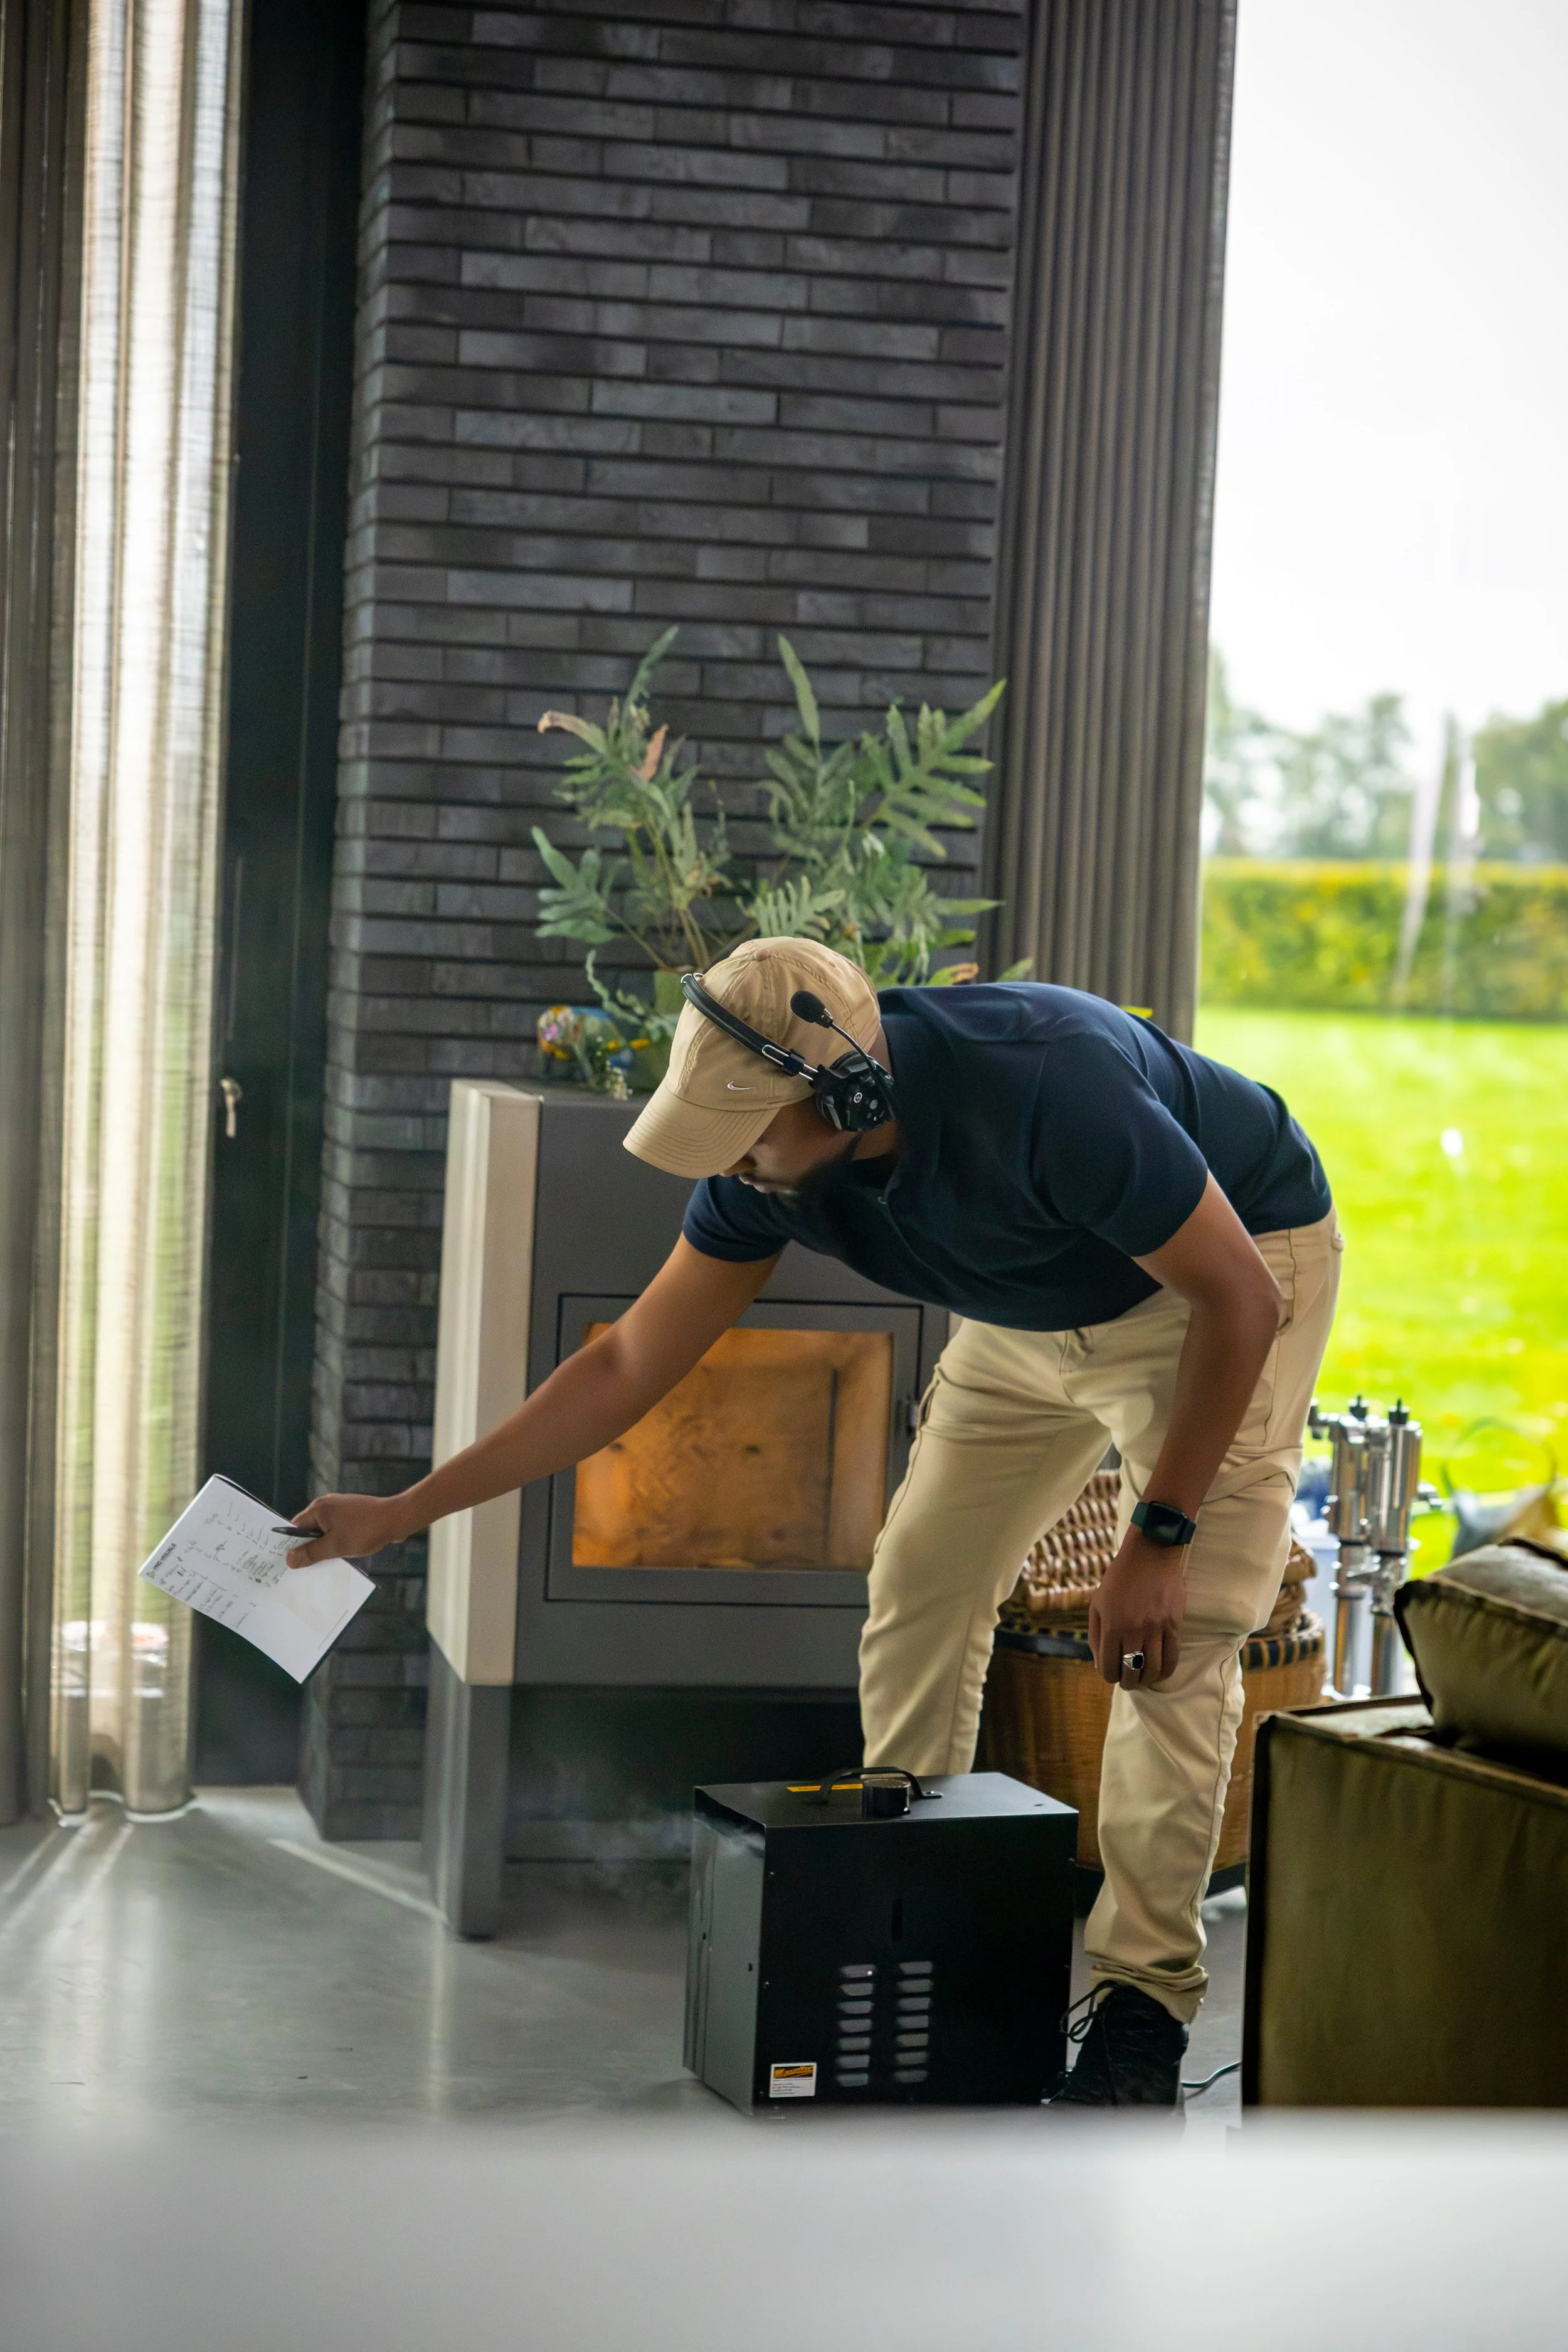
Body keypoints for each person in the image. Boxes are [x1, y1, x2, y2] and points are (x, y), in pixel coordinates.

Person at [288, 936, 1340, 2107]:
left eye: (749, 1135)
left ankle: (1143, 2010)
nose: (732, 1164)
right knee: (921, 1585)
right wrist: (406, 1510)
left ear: (854, 1093)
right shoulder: (766, 1167)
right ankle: (907, 1921)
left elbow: (1239, 1295)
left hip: (1219, 1281)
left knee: (1172, 1648)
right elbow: (627, 1360)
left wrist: (1161, 1532)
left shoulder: (1051, 1082)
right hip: (1034, 1307)